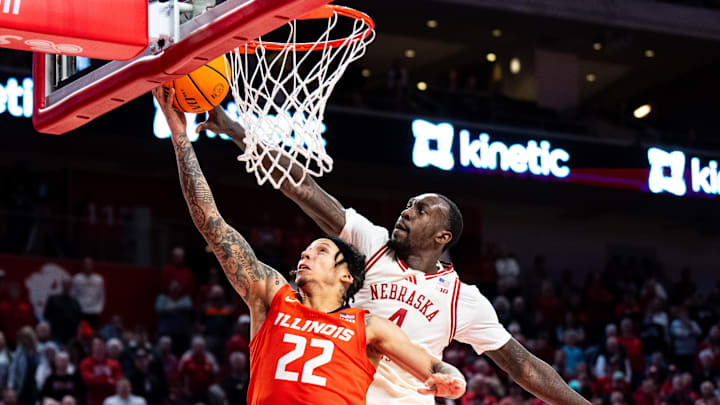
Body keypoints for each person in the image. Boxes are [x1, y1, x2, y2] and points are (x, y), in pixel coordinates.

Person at [196, 104, 591, 405]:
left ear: (442, 235)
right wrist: (235, 131)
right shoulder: (371, 242)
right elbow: (303, 188)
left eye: (420, 210)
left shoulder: (462, 300)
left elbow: (525, 367)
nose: (406, 211)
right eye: (408, 204)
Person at [154, 87, 466, 404]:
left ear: (347, 276)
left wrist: (454, 379)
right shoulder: (272, 297)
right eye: (308, 249)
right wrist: (180, 138)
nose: (305, 253)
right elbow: (212, 224)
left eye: (321, 251)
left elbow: (431, 364)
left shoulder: (369, 326)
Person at [80, 338, 122, 405]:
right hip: (93, 401)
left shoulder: (114, 364)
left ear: (105, 347)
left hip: (112, 401)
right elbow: (89, 382)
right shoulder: (86, 363)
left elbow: (118, 383)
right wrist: (108, 380)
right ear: (92, 347)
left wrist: (96, 379)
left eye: (100, 345)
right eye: (96, 345)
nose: (98, 347)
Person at [43, 278, 82, 345]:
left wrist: (78, 335)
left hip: (71, 336)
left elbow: (78, 320)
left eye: (69, 285)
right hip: (56, 335)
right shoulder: (53, 299)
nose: (67, 286)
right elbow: (46, 316)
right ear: (62, 285)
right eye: (65, 284)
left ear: (71, 286)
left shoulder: (75, 302)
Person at [71, 257, 105, 329]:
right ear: (82, 265)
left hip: (94, 311)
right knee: (81, 331)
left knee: (94, 332)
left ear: (93, 265)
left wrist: (99, 309)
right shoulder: (77, 278)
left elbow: (102, 296)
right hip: (81, 311)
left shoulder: (99, 279)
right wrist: (76, 309)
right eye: (86, 264)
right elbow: (73, 295)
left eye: (89, 264)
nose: (88, 266)